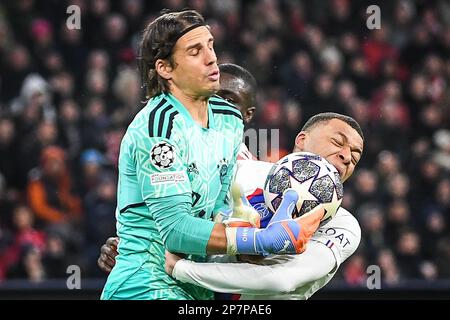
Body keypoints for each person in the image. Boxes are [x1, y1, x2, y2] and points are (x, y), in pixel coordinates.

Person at [101, 10, 306, 301]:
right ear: (165, 68)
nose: (211, 58)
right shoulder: (158, 127)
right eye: (195, 51)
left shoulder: (229, 119)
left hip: (196, 289)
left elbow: (218, 208)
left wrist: (248, 241)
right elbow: (175, 230)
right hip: (146, 285)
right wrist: (256, 240)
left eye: (211, 46)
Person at [164, 112, 364, 300]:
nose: (347, 156)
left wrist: (182, 269)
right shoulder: (245, 171)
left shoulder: (344, 226)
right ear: (302, 140)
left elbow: (281, 279)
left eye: (355, 157)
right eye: (338, 142)